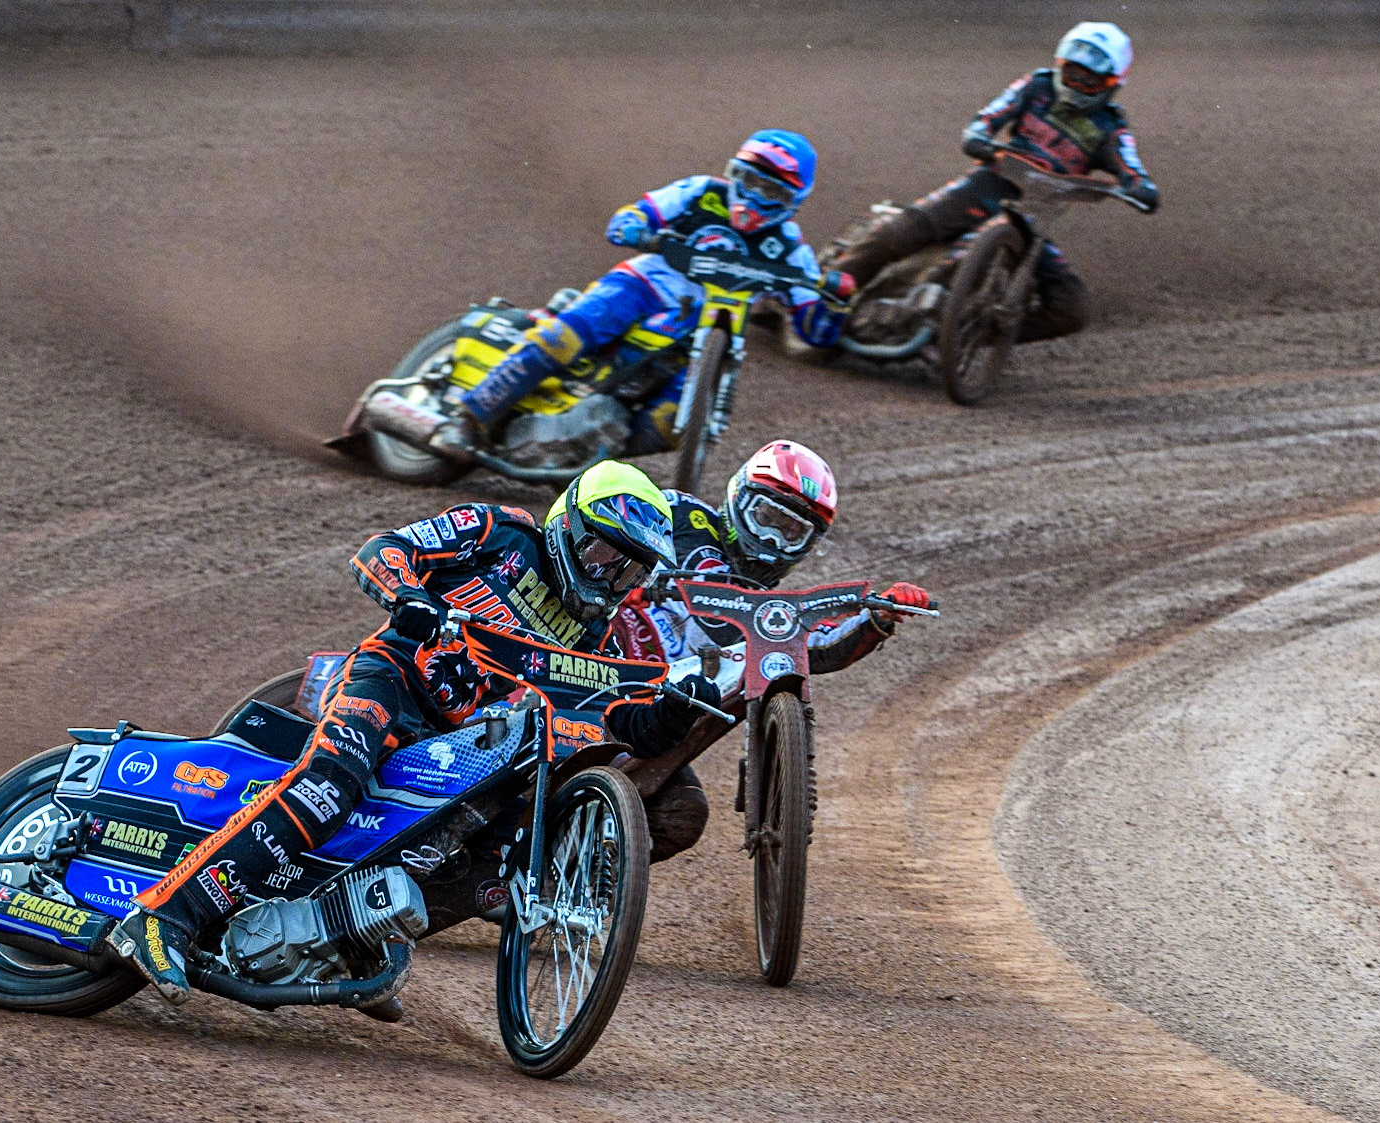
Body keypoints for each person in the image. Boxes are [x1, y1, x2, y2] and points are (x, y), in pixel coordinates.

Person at [105, 460, 720, 1004]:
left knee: (460, 862)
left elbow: (611, 721)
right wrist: (407, 595)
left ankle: (343, 941)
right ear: (568, 527)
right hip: (393, 679)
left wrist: (668, 716)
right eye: (604, 554)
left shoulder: (595, 643)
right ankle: (165, 915)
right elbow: (383, 548)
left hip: (460, 744)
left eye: (629, 569)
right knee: (328, 787)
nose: (611, 577)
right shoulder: (501, 529)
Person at [429, 129, 854, 460]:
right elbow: (632, 217)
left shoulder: (790, 248)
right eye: (750, 181)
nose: (755, 198)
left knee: (672, 424)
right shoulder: (700, 192)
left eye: (773, 192)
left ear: (793, 201)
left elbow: (813, 326)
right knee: (565, 338)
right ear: (733, 173)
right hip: (645, 284)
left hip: (705, 331)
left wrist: (834, 301)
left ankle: (586, 455)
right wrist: (635, 225)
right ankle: (468, 419)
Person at [613, 439, 932, 861]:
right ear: (740, 498)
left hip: (664, 718)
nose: (773, 540)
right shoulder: (682, 515)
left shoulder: (768, 609)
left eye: (792, 532)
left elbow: (815, 647)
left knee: (681, 815)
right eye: (766, 518)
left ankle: (578, 890)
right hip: (600, 675)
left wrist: (878, 618)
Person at [831, 21, 1159, 342]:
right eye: (1073, 72)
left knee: (1070, 308)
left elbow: (1130, 166)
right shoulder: (1037, 86)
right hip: (990, 184)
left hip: (1034, 218)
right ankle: (826, 294)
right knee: (901, 231)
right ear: (1060, 65)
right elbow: (991, 115)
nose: (1077, 83)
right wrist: (978, 136)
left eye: (1089, 80)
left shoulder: (1111, 128)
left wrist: (1140, 187)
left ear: (1111, 84)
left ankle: (966, 334)